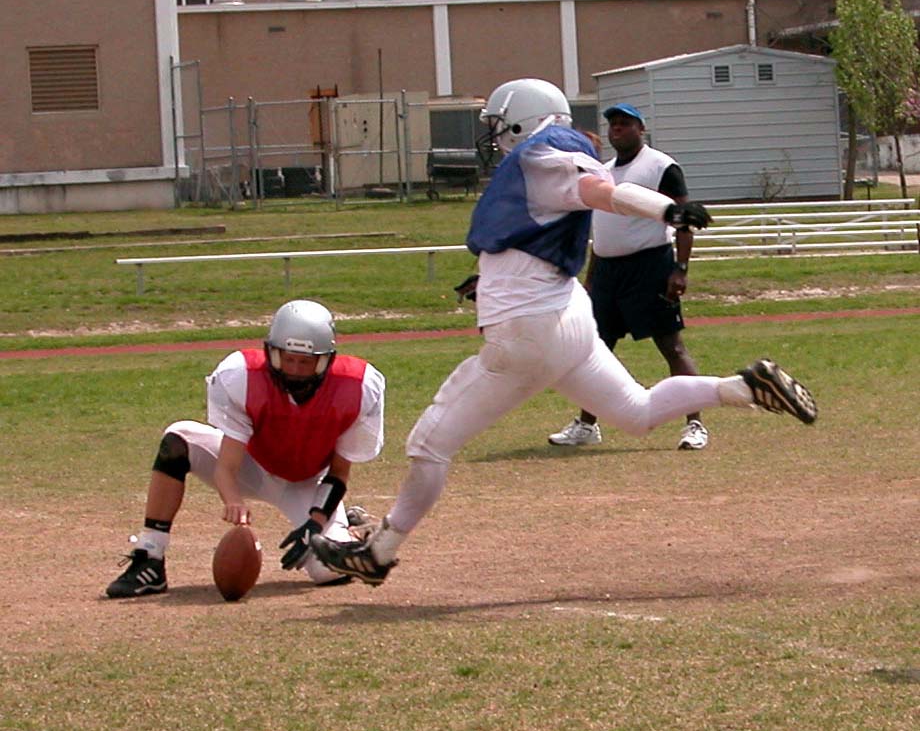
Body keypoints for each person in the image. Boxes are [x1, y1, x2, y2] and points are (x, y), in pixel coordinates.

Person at [309, 78, 817, 587]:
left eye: (498, 123)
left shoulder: (546, 155)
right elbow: (541, 229)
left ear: (522, 118)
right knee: (637, 412)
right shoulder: (548, 159)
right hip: (566, 315)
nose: (494, 135)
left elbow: (599, 192)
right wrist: (489, 276)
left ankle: (380, 552)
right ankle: (745, 387)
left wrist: (665, 209)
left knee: (428, 445)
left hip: (529, 332)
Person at [105, 299, 385, 598]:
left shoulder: (358, 387)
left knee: (328, 571)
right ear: (271, 352)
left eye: (306, 362)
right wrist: (233, 501)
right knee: (178, 439)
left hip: (308, 482)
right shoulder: (241, 375)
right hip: (253, 466)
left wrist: (315, 523)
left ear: (326, 359)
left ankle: (351, 533)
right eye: (287, 359)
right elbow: (226, 466)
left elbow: (339, 473)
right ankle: (150, 558)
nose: (294, 370)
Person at [549, 103, 709, 450]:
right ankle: (587, 425)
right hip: (608, 271)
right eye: (613, 124)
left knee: (671, 347)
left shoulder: (660, 166)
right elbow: (600, 230)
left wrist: (680, 268)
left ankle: (695, 424)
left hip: (649, 266)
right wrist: (591, 279)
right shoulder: (602, 172)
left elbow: (683, 219)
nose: (616, 129)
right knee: (594, 350)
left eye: (625, 123)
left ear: (641, 129)